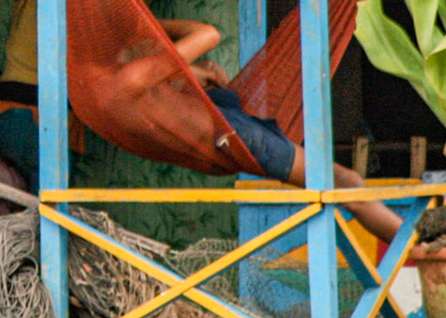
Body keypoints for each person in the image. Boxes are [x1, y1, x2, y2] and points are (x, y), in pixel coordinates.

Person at [124, 16, 402, 241]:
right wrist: (141, 22)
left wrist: (200, 71)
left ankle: (414, 242)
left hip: (230, 123)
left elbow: (201, 72)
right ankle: (416, 247)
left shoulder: (130, 85)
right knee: (345, 184)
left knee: (348, 181)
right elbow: (208, 34)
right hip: (237, 135)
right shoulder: (134, 77)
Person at [0, 0, 169, 189]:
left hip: (8, 115)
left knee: (35, 209)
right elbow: (129, 5)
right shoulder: (71, 0)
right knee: (50, 210)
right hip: (38, 119)